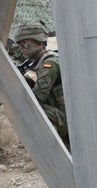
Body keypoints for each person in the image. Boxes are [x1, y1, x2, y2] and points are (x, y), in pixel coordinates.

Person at [13, 21, 70, 151]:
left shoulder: (49, 64)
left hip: (64, 120)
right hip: (64, 117)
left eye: (25, 43)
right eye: (20, 44)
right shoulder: (41, 61)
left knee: (26, 104)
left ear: (39, 42)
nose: (21, 47)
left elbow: (37, 98)